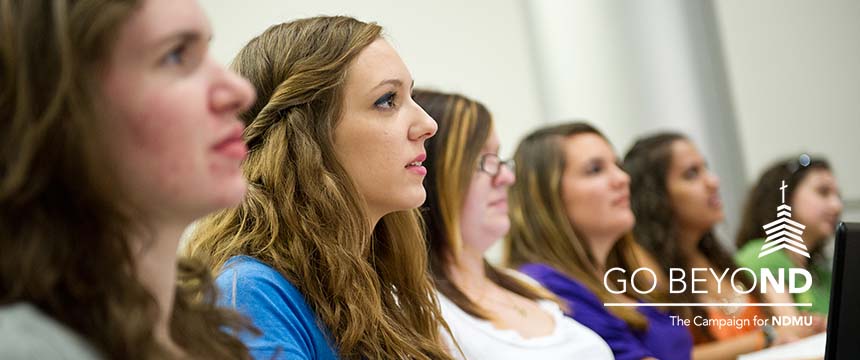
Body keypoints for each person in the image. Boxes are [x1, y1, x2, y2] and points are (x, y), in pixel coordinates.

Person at [184, 16, 453, 360]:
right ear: (307, 137)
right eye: (387, 100)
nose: (427, 124)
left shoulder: (377, 286)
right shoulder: (251, 294)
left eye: (410, 96)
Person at [0, 0, 257, 358]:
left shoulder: (198, 334)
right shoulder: (23, 349)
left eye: (207, 50)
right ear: (63, 106)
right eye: (176, 55)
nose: (240, 92)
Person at [414, 91, 613, 360]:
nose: (507, 177)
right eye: (484, 161)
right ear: (433, 175)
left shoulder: (525, 284)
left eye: (500, 157)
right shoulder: (419, 310)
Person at [505, 122, 692, 360]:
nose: (622, 178)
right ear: (546, 197)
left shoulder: (622, 277)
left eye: (617, 165)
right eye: (595, 170)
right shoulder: (546, 285)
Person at [623, 132, 801, 359]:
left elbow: (777, 330)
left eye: (705, 168)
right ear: (656, 197)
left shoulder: (717, 258)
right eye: (691, 174)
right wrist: (764, 338)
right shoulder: (645, 271)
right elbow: (673, 356)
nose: (713, 181)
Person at [735, 157, 842, 315]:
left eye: (837, 196)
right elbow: (791, 330)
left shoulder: (821, 273)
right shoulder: (763, 254)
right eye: (823, 192)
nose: (837, 205)